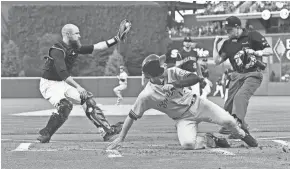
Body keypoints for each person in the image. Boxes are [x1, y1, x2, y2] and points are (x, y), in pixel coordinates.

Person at [106, 52, 258, 150]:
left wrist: (174, 84)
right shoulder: (147, 95)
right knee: (188, 144)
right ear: (154, 75)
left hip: (198, 104)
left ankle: (242, 134)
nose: (164, 65)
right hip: (182, 119)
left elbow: (195, 78)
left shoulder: (172, 72)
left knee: (229, 121)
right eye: (160, 65)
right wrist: (121, 137)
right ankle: (210, 140)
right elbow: (131, 116)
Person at [38, 20, 131, 143]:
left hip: (63, 83)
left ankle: (107, 132)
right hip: (49, 84)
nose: (79, 36)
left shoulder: (75, 48)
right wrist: (78, 87)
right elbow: (62, 72)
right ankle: (46, 134)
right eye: (76, 33)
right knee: (65, 106)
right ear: (67, 34)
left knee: (87, 100)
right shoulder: (57, 49)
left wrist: (117, 39)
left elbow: (97, 47)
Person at [213, 16, 273, 137]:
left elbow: (269, 50)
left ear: (237, 27)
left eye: (229, 29)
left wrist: (257, 52)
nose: (227, 32)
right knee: (228, 105)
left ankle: (237, 125)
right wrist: (215, 44)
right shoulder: (227, 43)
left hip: (253, 73)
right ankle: (239, 128)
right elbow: (217, 61)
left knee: (240, 97)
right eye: (226, 29)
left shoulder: (252, 35)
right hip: (236, 75)